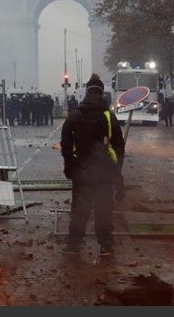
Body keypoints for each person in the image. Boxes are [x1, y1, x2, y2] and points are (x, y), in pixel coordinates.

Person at [60, 73, 125, 257]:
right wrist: (117, 173)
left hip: (81, 172)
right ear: (102, 94)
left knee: (80, 208)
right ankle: (105, 246)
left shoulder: (75, 116)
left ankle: (74, 244)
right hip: (104, 172)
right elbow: (118, 147)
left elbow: (66, 146)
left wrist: (71, 166)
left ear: (86, 94)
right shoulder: (108, 116)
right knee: (104, 209)